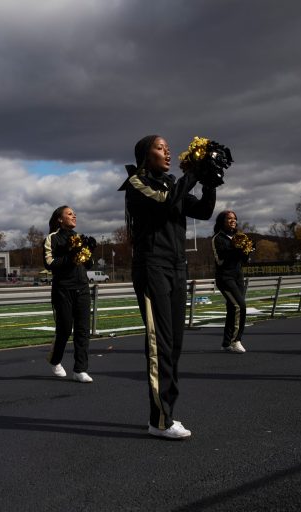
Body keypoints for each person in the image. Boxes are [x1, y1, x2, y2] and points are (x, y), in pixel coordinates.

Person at [120, 134, 217, 439]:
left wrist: (210, 181)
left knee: (175, 344)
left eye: (166, 147)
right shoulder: (136, 183)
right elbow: (165, 204)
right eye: (159, 147)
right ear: (144, 156)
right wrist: (193, 173)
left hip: (177, 268)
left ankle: (164, 414)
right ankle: (160, 420)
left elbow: (202, 211)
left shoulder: (171, 183)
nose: (167, 150)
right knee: (159, 343)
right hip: (153, 267)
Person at [42, 206, 94, 383]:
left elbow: (88, 265)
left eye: (74, 213)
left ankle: (80, 369)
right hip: (63, 289)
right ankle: (55, 360)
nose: (74, 216)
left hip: (83, 288)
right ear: (60, 219)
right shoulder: (52, 238)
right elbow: (50, 264)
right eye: (70, 214)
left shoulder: (78, 237)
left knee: (83, 330)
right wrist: (69, 256)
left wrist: (90, 251)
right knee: (64, 329)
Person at [211, 210, 249, 353]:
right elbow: (220, 260)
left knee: (232, 309)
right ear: (222, 221)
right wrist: (236, 249)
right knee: (240, 306)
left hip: (238, 277)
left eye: (234, 218)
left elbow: (244, 259)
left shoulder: (240, 236)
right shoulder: (217, 238)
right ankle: (236, 340)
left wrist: (247, 251)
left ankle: (226, 343)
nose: (233, 220)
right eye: (229, 218)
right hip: (225, 278)